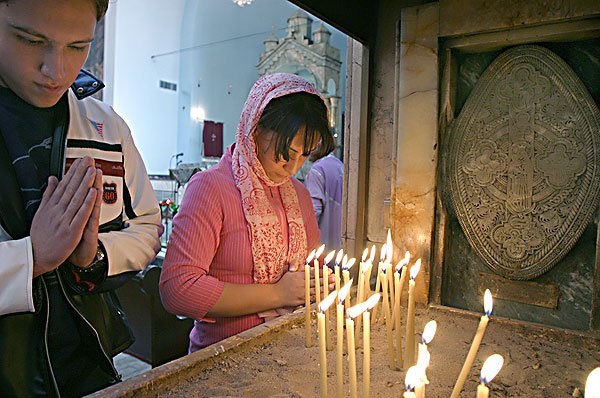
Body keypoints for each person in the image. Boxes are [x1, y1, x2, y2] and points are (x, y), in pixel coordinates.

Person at [0, 0, 163, 396]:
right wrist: (32, 257)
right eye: (29, 39)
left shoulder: (106, 126)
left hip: (89, 364)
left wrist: (94, 258)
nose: (55, 71)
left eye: (77, 46)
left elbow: (146, 226)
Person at [160, 73, 335, 352]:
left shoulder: (298, 195)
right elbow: (179, 290)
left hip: (290, 347)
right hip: (224, 354)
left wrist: (321, 282)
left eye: (304, 155)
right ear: (254, 129)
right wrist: (278, 293)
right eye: (286, 152)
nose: (292, 168)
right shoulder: (211, 188)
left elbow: (313, 265)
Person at [304, 150, 343, 250]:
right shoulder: (340, 165)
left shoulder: (317, 170)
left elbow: (314, 211)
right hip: (342, 239)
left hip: (324, 242)